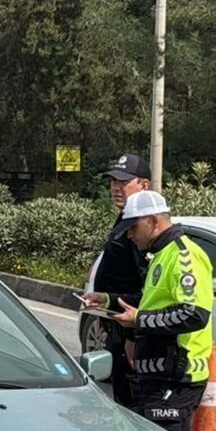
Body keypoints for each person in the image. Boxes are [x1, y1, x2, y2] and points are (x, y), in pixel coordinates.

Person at [96, 190, 214, 431]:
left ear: (153, 221)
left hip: (177, 375)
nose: (130, 234)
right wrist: (107, 300)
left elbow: (194, 314)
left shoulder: (184, 255)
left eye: (133, 227)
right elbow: (150, 303)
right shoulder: (161, 254)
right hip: (158, 374)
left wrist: (140, 320)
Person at [79, 153, 152, 407]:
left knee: (133, 407)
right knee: (122, 399)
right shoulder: (125, 218)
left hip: (133, 330)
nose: (116, 188)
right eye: (113, 182)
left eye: (123, 182)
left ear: (144, 185)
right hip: (118, 326)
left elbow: (146, 286)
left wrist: (133, 335)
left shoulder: (144, 227)